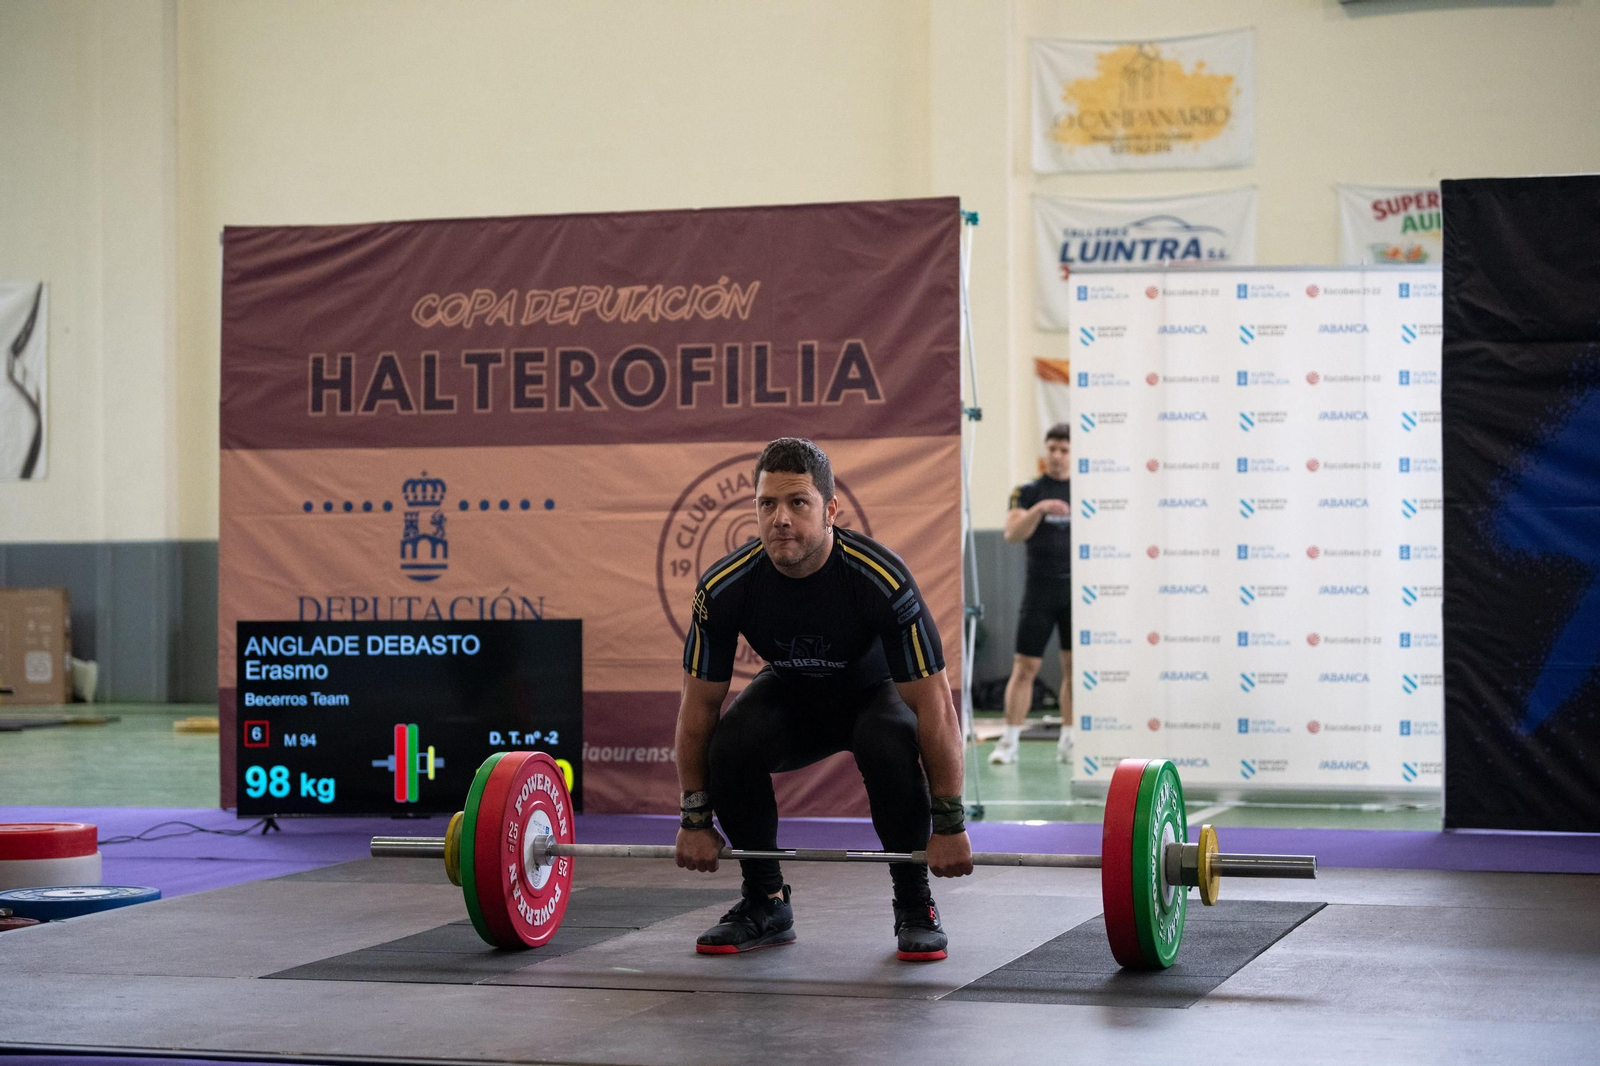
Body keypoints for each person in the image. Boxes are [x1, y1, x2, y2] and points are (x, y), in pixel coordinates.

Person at [673, 437, 974, 960]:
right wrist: (695, 819)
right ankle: (765, 901)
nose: (781, 519)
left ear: (830, 509)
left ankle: (914, 903)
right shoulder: (725, 587)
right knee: (732, 743)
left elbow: (935, 707)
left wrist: (948, 824)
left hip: (872, 698)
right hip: (794, 697)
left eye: (798, 503)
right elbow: (698, 710)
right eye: (768, 504)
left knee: (888, 741)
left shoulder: (881, 579)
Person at [989, 423, 1075, 766]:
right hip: (1039, 591)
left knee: (1074, 669)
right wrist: (1039, 509)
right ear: (1045, 452)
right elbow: (1012, 533)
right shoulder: (1026, 491)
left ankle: (1070, 742)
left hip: (1076, 593)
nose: (1057, 456)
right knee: (1024, 667)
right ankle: (1008, 744)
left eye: (1064, 450)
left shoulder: (1087, 490)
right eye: (1052, 448)